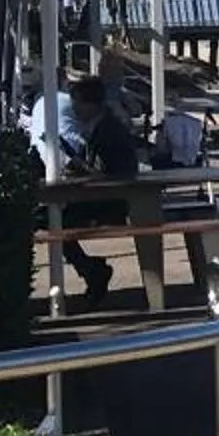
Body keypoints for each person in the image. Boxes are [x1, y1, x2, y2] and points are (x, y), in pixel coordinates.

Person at [53, 74, 143, 303]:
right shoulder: (98, 126)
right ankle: (92, 270)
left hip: (110, 202)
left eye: (78, 104)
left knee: (56, 225)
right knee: (53, 222)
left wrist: (85, 170)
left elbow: (117, 172)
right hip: (98, 196)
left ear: (92, 104)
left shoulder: (109, 131)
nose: (74, 109)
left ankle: (93, 271)